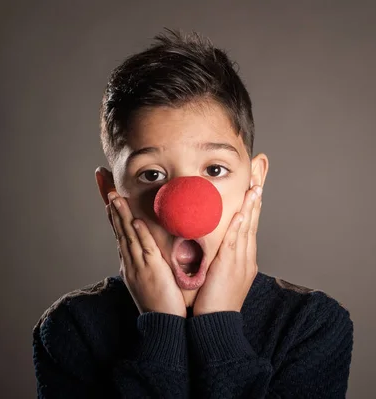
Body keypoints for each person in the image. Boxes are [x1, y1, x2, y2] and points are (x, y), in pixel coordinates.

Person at [32, 28, 354, 398]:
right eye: (151, 174)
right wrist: (162, 329)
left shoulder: (310, 326)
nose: (184, 210)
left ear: (254, 182)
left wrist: (219, 327)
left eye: (214, 170)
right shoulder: (70, 329)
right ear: (111, 194)